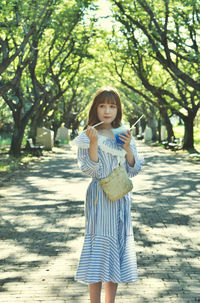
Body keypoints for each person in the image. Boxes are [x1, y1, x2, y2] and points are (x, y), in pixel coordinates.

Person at [72, 87, 143, 303]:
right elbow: (90, 169)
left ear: (117, 109)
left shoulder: (123, 133)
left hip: (120, 197)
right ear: (95, 108)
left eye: (112, 106)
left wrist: (128, 148)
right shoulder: (87, 135)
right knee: (98, 250)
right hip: (99, 198)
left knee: (116, 250)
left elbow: (134, 169)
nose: (107, 111)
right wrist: (94, 143)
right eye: (102, 105)